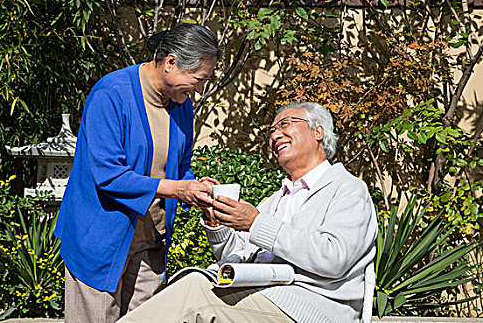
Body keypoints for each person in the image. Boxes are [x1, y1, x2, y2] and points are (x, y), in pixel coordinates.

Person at [117, 102, 378, 323]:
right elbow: (236, 256)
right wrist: (215, 220)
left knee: (193, 296)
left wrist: (255, 223)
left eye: (286, 124)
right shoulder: (277, 199)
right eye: (272, 130)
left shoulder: (348, 189)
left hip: (309, 309)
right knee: (195, 284)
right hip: (259, 296)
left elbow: (333, 258)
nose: (275, 136)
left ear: (318, 131)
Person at [54, 23, 222, 323]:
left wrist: (197, 190)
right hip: (101, 237)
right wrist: (175, 189)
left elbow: (180, 166)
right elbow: (108, 174)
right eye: (197, 79)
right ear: (170, 62)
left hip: (151, 240)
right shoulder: (111, 94)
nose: (199, 89)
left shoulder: (182, 105)